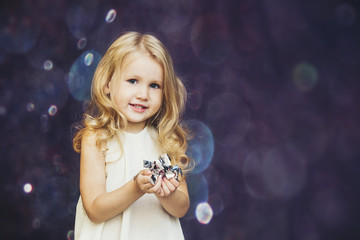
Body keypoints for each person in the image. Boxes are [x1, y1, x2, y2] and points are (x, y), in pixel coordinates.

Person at [72, 31, 192, 240]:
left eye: (154, 85)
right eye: (133, 81)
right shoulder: (96, 138)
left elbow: (181, 208)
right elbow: (94, 209)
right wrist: (136, 188)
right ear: (108, 83)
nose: (143, 95)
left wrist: (168, 194)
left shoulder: (165, 141)